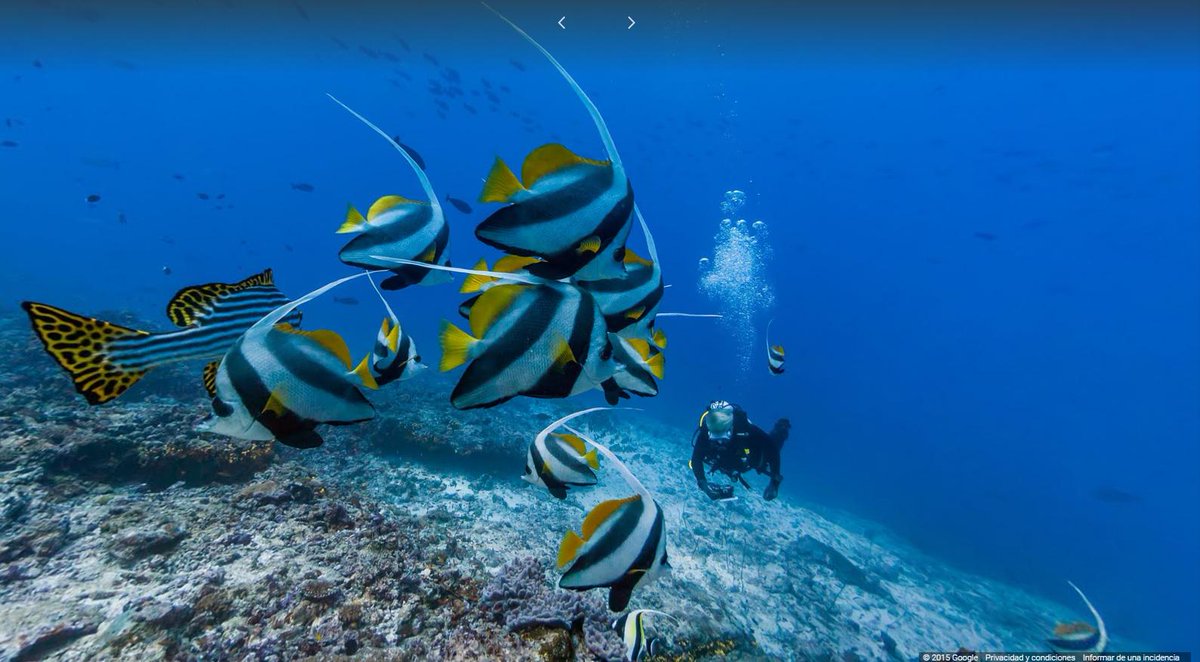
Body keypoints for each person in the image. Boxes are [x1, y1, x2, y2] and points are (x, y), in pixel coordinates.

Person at [691, 400, 789, 501]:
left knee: (767, 451)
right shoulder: (705, 432)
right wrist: (704, 485)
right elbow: (696, 459)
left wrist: (774, 483)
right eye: (713, 421)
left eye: (723, 422)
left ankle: (781, 430)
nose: (717, 428)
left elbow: (772, 447)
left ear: (731, 420)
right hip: (727, 464)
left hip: (748, 457)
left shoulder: (744, 428)